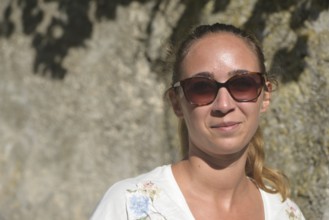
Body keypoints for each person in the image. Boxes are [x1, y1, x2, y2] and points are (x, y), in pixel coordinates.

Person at [90, 23, 305, 220]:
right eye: (201, 88)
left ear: (265, 96)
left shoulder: (287, 213)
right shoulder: (128, 206)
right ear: (176, 103)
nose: (223, 104)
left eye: (242, 84)